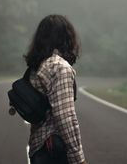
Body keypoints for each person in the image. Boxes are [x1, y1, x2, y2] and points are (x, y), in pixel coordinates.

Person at [23, 14, 88, 164]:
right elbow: (64, 116)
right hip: (53, 149)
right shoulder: (59, 67)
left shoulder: (38, 66)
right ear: (66, 37)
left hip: (37, 147)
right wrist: (78, 158)